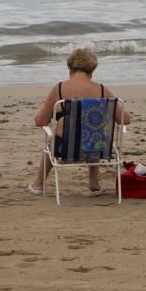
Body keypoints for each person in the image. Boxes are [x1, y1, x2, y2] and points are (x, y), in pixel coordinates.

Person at [25, 48, 131, 197]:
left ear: (69, 68)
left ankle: (38, 184)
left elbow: (40, 120)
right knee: (94, 131)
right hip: (97, 147)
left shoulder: (60, 89)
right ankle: (94, 183)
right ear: (92, 70)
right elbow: (125, 120)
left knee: (51, 139)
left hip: (66, 148)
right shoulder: (102, 90)